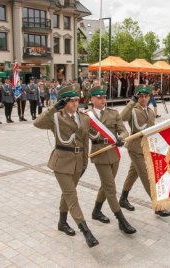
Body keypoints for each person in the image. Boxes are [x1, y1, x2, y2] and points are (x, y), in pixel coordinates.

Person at [33, 84, 99, 248]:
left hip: (77, 162)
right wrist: (54, 108)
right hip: (61, 162)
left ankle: (62, 223)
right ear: (64, 102)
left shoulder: (83, 117)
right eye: (70, 101)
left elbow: (84, 141)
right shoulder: (55, 117)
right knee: (71, 195)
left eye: (77, 100)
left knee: (67, 193)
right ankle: (86, 231)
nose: (75, 103)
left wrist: (84, 162)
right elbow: (37, 123)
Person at [88, 85, 136, 234]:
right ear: (91, 99)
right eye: (99, 97)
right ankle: (121, 220)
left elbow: (123, 130)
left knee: (106, 184)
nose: (103, 99)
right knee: (110, 187)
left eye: (104, 97)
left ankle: (96, 211)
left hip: (114, 154)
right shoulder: (86, 116)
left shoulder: (113, 113)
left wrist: (121, 138)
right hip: (99, 154)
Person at [119, 85, 170, 217]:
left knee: (133, 173)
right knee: (147, 176)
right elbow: (121, 118)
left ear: (149, 97)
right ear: (137, 96)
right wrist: (132, 101)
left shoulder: (151, 112)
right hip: (135, 147)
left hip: (146, 147)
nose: (143, 98)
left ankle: (123, 198)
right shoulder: (133, 110)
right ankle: (157, 205)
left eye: (146, 96)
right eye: (140, 96)